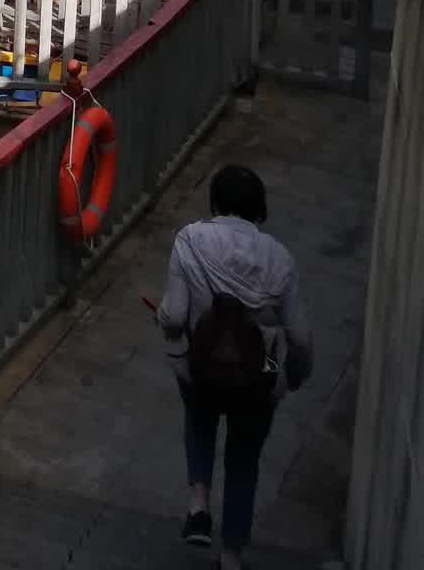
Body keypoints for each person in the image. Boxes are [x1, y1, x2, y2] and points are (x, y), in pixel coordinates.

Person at [158, 164, 312, 567]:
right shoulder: (280, 259)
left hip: (203, 370)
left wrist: (165, 323)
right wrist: (293, 377)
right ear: (260, 210)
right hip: (256, 381)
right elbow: (299, 338)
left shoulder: (190, 241)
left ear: (215, 202)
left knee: (199, 417)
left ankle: (198, 506)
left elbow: (174, 316)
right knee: (244, 459)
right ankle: (231, 556)